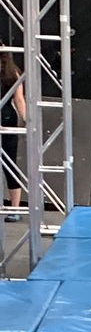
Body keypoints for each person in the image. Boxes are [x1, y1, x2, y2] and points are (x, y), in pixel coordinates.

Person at [1, 51, 26, 222]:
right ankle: (14, 209)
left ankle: (15, 208)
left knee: (9, 164)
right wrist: (26, 120)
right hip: (8, 116)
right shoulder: (13, 71)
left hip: (6, 118)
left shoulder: (12, 72)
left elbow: (19, 100)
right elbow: (19, 100)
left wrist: (26, 121)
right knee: (10, 164)